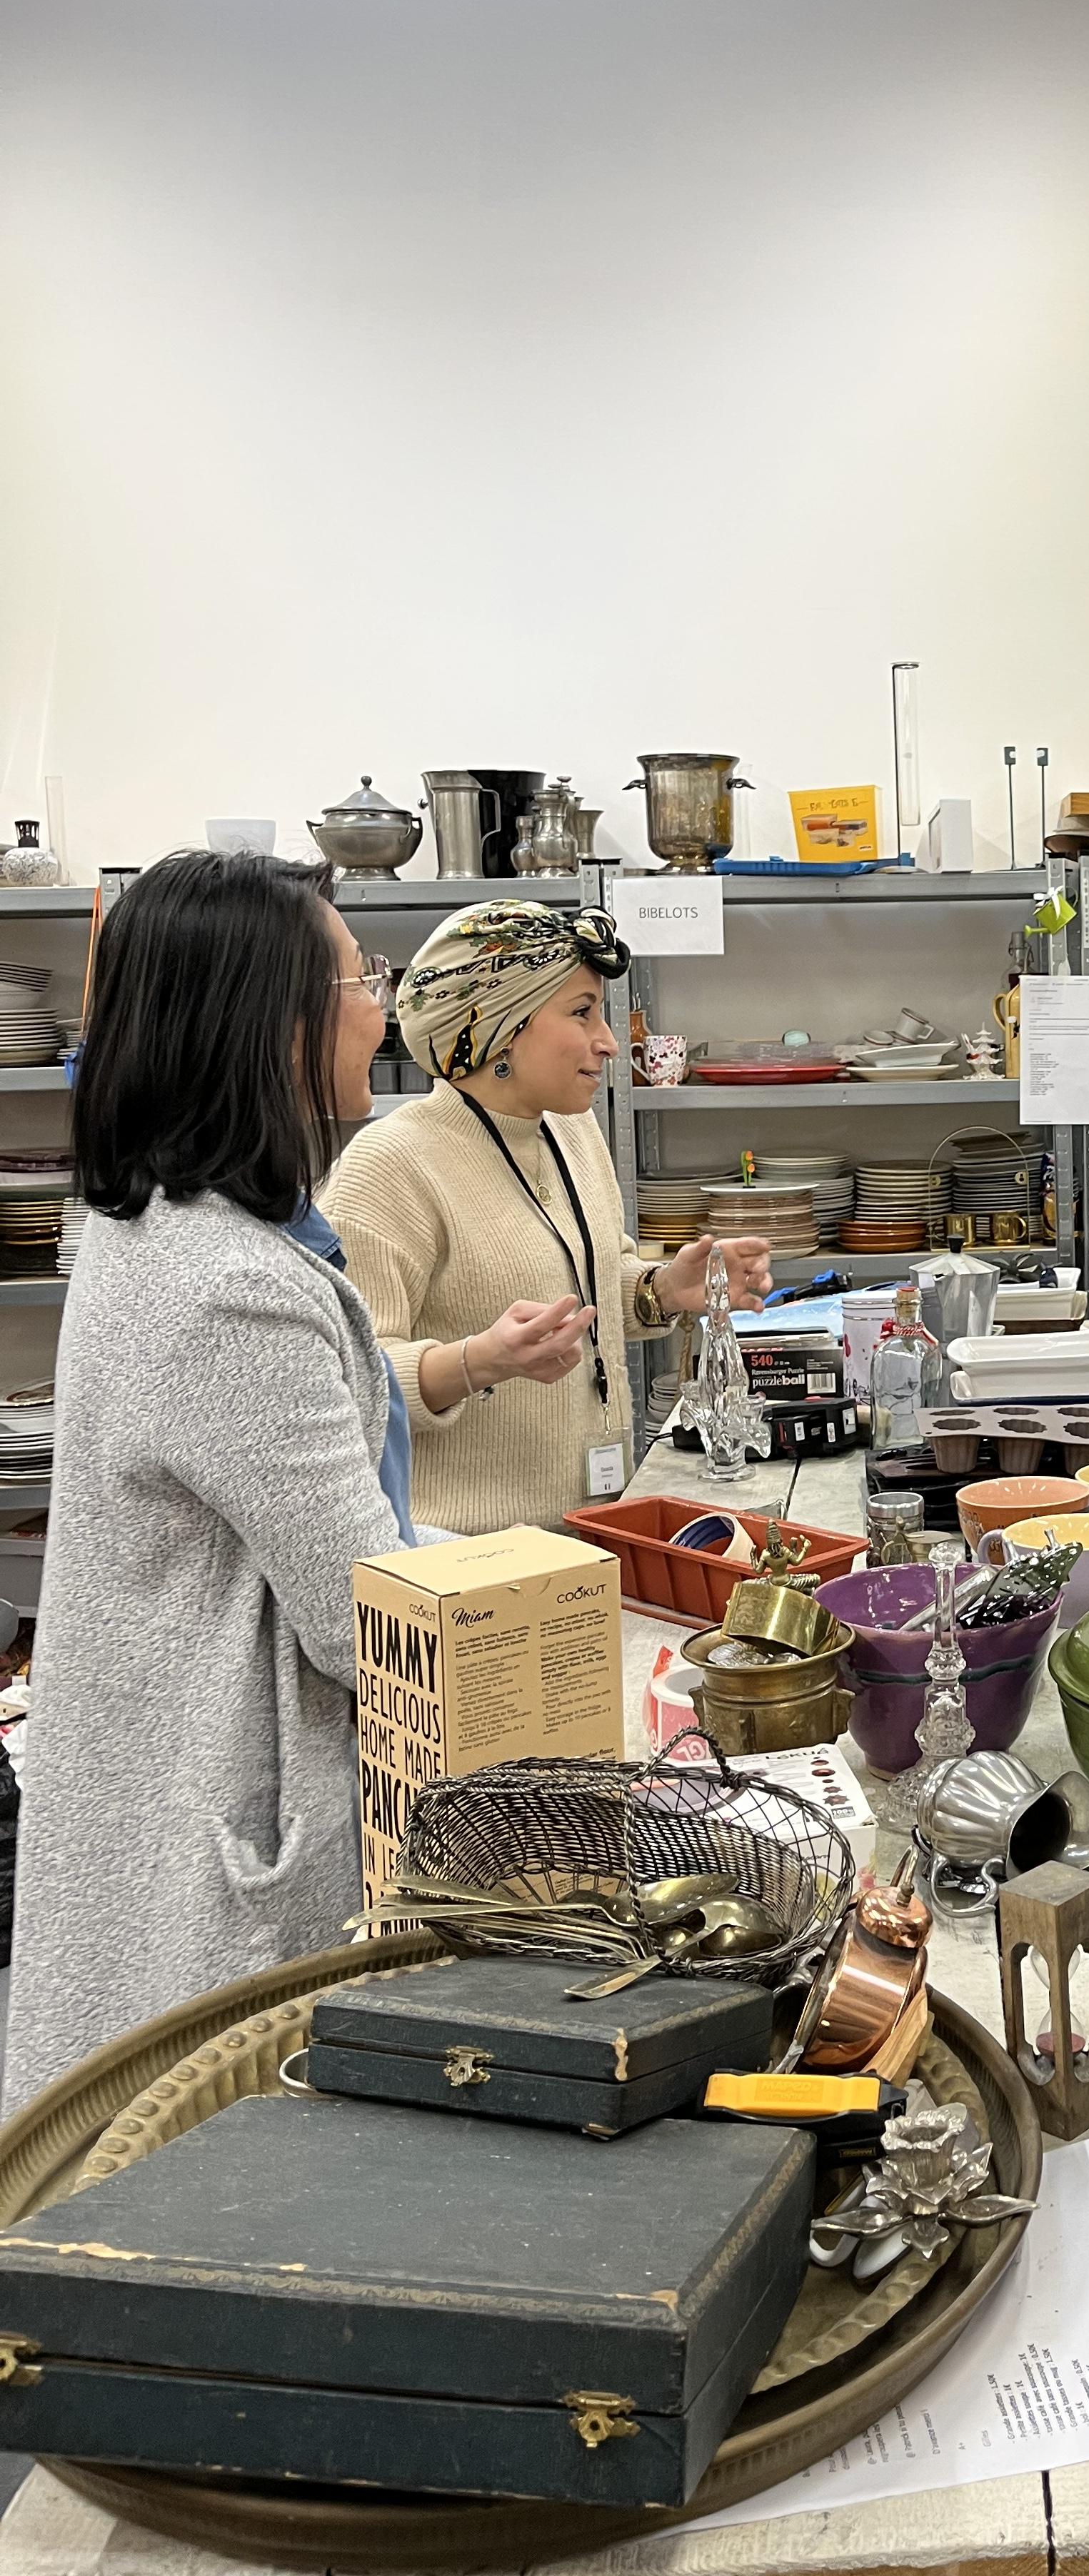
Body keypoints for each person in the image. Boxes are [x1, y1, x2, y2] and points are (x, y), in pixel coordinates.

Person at [4, 853, 411, 2106]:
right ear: (266, 1021)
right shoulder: (229, 1284)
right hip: (214, 1824)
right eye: (356, 977)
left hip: (160, 1797)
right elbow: (359, 1616)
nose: (378, 1007)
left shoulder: (169, 1231)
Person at [322, 898, 771, 1536]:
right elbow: (349, 1378)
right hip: (466, 1563)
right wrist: (477, 1361)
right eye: (582, 1013)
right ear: (501, 1026)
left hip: (593, 1528)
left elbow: (583, 1294)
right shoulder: (389, 1166)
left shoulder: (571, 1130)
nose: (609, 1042)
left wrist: (663, 1289)